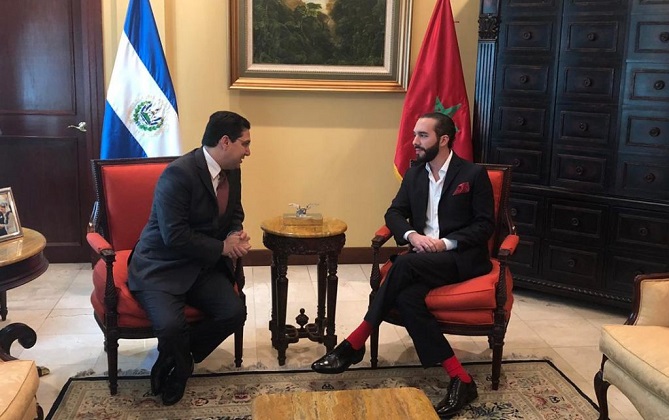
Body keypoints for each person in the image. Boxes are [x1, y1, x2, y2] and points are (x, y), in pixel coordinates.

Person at [311, 112, 495, 418]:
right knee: (408, 298)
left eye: (423, 135)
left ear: (444, 140)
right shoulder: (414, 174)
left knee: (403, 266)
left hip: (461, 257)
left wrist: (445, 243)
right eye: (414, 135)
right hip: (425, 257)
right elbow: (394, 212)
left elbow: (485, 225)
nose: (414, 142)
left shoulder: (472, 174)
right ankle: (461, 378)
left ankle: (355, 342)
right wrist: (412, 235)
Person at [127, 111, 252, 405]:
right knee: (170, 326)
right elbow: (174, 236)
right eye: (245, 143)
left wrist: (235, 234)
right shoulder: (178, 174)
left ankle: (173, 358)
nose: (248, 152)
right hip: (162, 265)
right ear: (225, 142)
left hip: (202, 266)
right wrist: (222, 247)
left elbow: (234, 212)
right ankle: (182, 368)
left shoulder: (232, 170)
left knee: (234, 313)